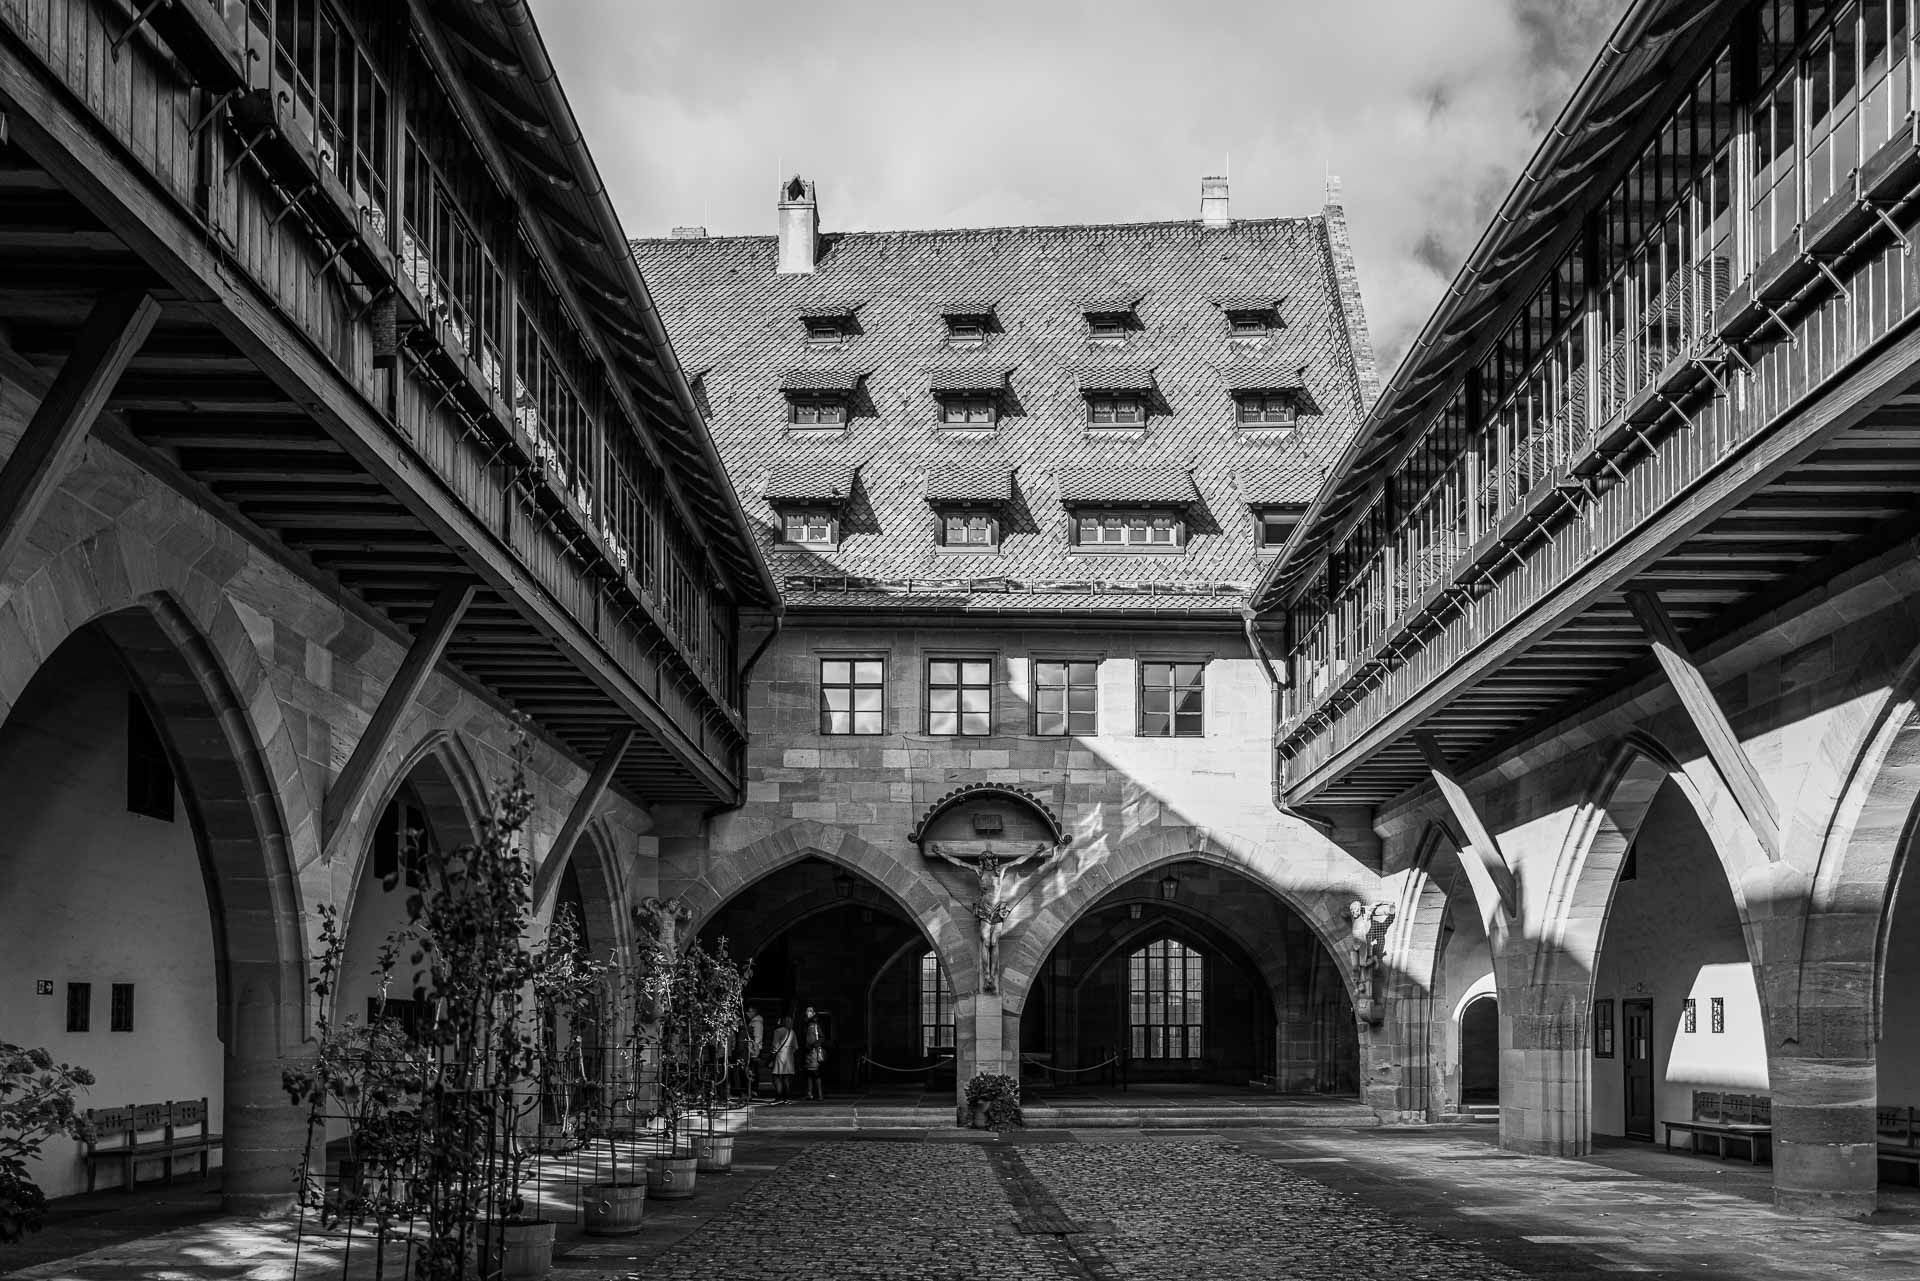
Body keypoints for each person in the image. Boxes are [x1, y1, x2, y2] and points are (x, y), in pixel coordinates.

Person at [769, 1015, 797, 1105]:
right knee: (786, 1078)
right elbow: (796, 1047)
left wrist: (773, 1053)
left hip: (780, 1056)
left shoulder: (778, 1031)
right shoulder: (792, 1032)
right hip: (789, 1057)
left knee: (777, 1076)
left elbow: (775, 1045)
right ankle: (787, 1097)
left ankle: (779, 1096)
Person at [801, 1006, 826, 1101]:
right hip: (807, 1051)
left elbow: (822, 1037)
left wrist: (814, 1044)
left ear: (814, 1013)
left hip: (814, 1051)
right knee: (808, 1073)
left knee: (816, 1073)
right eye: (807, 1010)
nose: (808, 1012)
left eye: (810, 1011)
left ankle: (820, 1094)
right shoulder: (804, 1023)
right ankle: (809, 1093)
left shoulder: (816, 1024)